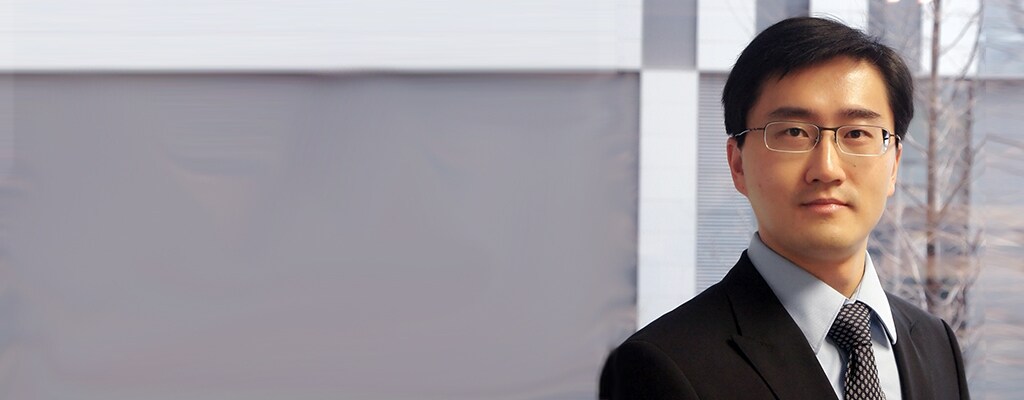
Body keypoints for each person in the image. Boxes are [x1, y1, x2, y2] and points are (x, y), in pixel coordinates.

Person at [599, 17, 970, 399]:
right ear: (738, 164)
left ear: (893, 165)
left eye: (857, 133)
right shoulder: (660, 365)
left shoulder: (935, 343)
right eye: (793, 132)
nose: (827, 169)